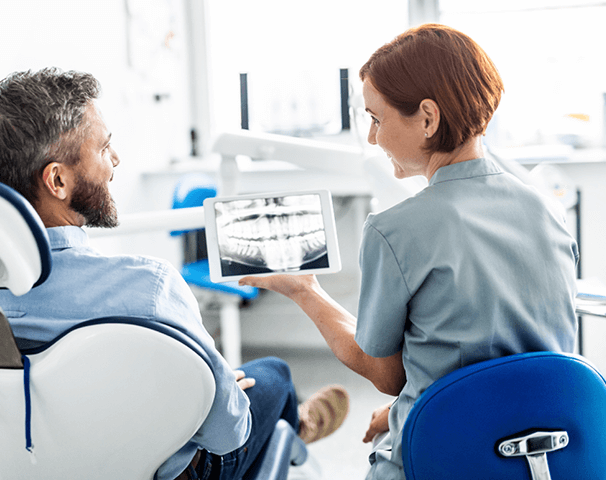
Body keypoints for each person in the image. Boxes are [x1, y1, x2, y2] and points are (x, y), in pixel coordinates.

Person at [0, 68, 350, 480]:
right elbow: (226, 434)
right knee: (271, 376)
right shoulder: (149, 290)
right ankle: (297, 427)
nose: (115, 159)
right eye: (102, 147)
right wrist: (219, 391)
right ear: (57, 181)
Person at [239, 24, 579, 479]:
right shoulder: (547, 210)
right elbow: (506, 358)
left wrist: (306, 291)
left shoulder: (394, 230)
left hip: (448, 456)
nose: (372, 139)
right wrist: (407, 409)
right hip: (544, 455)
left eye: (376, 119)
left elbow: (386, 375)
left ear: (428, 118)